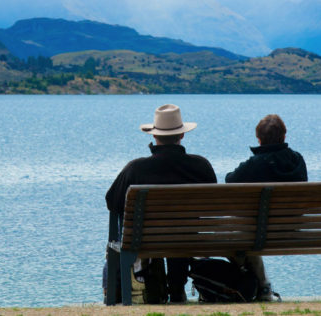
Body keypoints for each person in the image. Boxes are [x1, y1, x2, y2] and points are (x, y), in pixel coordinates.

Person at [105, 104, 217, 303]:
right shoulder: (201, 166)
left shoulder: (136, 169)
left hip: (147, 239)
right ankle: (176, 290)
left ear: (154, 136)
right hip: (190, 240)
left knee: (160, 235)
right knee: (181, 233)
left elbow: (112, 202)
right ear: (181, 135)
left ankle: (155, 288)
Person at [225, 114, 308, 302]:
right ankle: (262, 287)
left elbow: (230, 180)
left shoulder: (255, 164)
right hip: (292, 230)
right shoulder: (297, 160)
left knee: (236, 234)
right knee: (247, 235)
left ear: (259, 139)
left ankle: (255, 283)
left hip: (258, 232)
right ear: (284, 137)